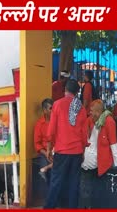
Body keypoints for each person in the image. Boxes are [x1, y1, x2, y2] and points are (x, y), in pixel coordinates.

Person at [44, 79, 88, 209]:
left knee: (56, 183)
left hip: (62, 152)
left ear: (65, 90)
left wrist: (48, 148)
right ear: (77, 92)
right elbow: (84, 133)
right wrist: (83, 152)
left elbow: (51, 130)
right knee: (74, 184)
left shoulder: (57, 104)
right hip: (77, 152)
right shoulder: (81, 107)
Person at [81, 99, 117, 208]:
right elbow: (83, 137)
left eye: (92, 111)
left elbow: (113, 143)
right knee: (86, 193)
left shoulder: (109, 121)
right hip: (86, 163)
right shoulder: (90, 120)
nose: (90, 113)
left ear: (98, 111)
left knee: (96, 193)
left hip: (100, 164)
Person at [34, 98, 54, 183]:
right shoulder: (39, 124)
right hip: (44, 153)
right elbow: (37, 144)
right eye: (50, 108)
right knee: (44, 176)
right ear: (44, 110)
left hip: (56, 152)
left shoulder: (57, 122)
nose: (53, 110)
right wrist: (47, 154)